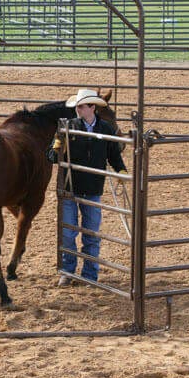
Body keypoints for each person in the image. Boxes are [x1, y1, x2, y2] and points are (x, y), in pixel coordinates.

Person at [47, 89, 127, 286]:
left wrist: (121, 171)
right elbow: (50, 157)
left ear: (92, 107)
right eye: (77, 106)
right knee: (67, 233)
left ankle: (90, 275)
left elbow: (114, 154)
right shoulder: (67, 127)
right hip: (70, 187)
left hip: (93, 187)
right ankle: (68, 271)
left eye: (81, 106)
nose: (78, 109)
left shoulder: (106, 129)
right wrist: (56, 148)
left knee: (91, 233)